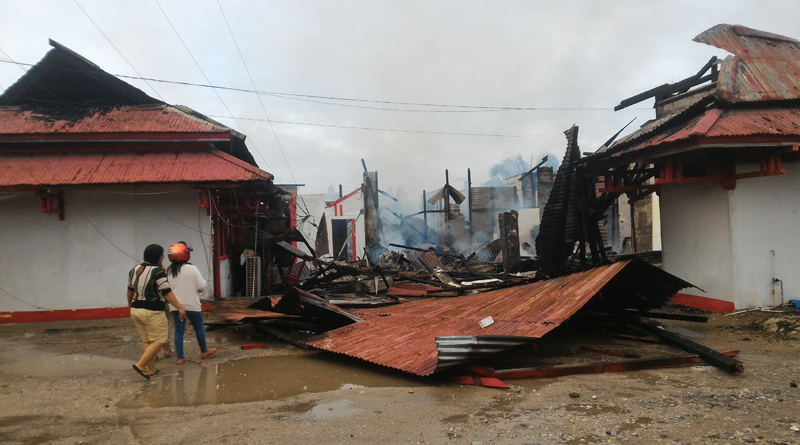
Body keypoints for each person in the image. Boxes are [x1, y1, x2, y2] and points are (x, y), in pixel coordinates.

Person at [127, 244, 187, 379]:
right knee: (160, 340)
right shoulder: (157, 272)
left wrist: (129, 305)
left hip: (136, 309)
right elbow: (167, 293)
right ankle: (140, 365)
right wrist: (179, 307)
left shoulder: (134, 270)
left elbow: (130, 290)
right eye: (162, 255)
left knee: (148, 341)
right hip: (152, 311)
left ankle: (152, 369)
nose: (163, 257)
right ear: (159, 257)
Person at [166, 242, 216, 365]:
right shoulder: (192, 268)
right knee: (199, 327)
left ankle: (180, 358)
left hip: (175, 306)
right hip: (191, 304)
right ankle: (204, 351)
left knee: (178, 330)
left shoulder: (168, 271)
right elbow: (201, 286)